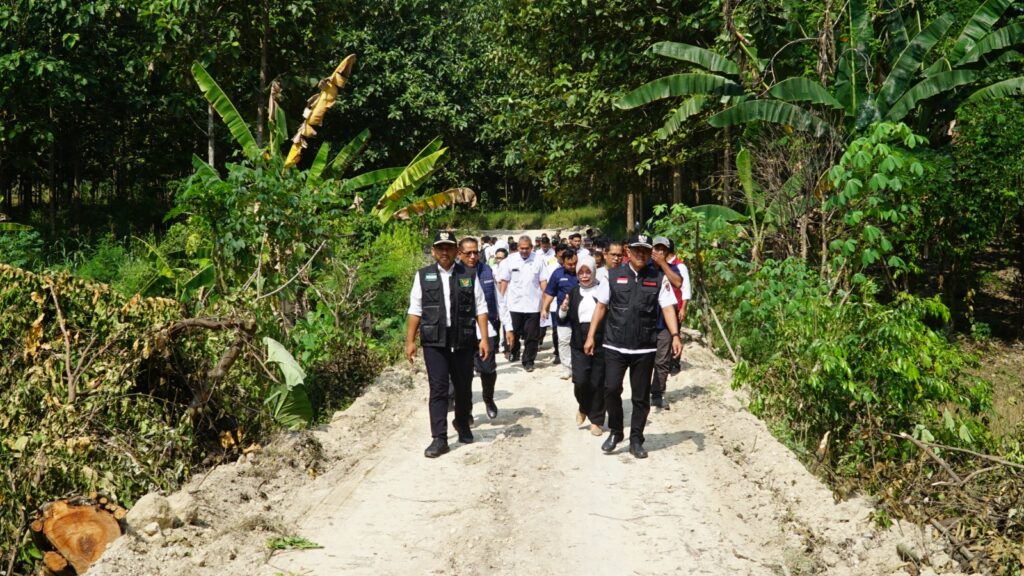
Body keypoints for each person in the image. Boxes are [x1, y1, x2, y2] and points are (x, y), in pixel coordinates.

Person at [583, 233, 682, 459]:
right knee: (611, 389)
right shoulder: (612, 275)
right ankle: (616, 431)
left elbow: (668, 308)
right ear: (628, 251)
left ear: (650, 254)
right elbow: (600, 307)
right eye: (637, 250)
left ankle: (636, 438)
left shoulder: (658, 278)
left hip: (644, 347)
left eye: (645, 251)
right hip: (615, 345)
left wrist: (675, 335)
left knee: (640, 397)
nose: (640, 254)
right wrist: (591, 336)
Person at [407, 231, 491, 458]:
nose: (445, 252)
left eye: (449, 248)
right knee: (439, 390)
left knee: (463, 387)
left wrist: (483, 338)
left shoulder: (469, 275)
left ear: (456, 251)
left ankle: (462, 424)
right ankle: (439, 438)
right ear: (434, 251)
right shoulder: (423, 276)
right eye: (440, 248)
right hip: (435, 342)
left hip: (463, 340)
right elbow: (415, 310)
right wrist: (410, 342)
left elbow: (480, 308)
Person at [559, 254, 605, 436]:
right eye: (581, 272)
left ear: (594, 272)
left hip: (600, 341)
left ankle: (597, 420)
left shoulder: (602, 290)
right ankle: (583, 407)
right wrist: (563, 309)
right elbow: (563, 318)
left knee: (597, 382)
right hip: (578, 341)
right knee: (581, 381)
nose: (585, 276)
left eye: (588, 272)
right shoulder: (573, 292)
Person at [459, 237, 504, 419]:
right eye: (468, 253)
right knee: (464, 375)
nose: (472, 256)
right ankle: (467, 409)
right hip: (462, 333)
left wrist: (507, 327)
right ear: (459, 253)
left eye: (475, 252)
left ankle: (488, 398)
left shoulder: (486, 271)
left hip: (486, 331)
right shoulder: (454, 273)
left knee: (488, 370)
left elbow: (498, 300)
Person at [650, 236, 691, 410]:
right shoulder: (646, 267)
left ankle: (658, 394)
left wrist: (663, 265)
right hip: (648, 320)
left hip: (667, 320)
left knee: (662, 359)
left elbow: (679, 283)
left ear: (667, 252)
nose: (658, 252)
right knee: (646, 359)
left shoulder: (675, 267)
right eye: (656, 249)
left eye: (662, 250)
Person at [497, 236, 546, 372]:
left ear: (532, 247)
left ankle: (529, 360)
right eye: (522, 248)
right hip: (514, 304)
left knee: (531, 335)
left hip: (533, 305)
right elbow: (504, 282)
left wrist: (545, 304)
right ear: (518, 247)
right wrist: (501, 302)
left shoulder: (539, 260)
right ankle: (514, 351)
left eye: (527, 248)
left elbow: (543, 282)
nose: (524, 251)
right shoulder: (510, 261)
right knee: (514, 332)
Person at [541, 248, 577, 379]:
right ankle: (566, 368)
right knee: (563, 341)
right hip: (563, 315)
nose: (573, 267)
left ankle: (578, 367)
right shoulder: (557, 274)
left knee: (579, 341)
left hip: (581, 315)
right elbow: (549, 293)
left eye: (575, 263)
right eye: (570, 264)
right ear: (563, 262)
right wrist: (544, 308)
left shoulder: (583, 272)